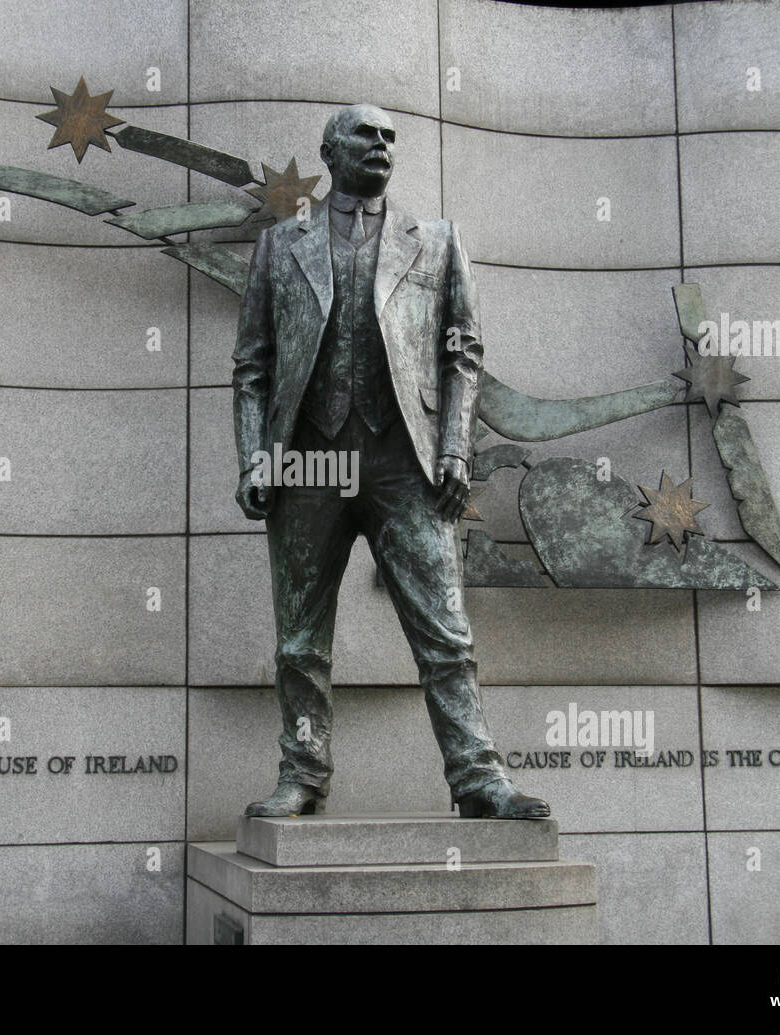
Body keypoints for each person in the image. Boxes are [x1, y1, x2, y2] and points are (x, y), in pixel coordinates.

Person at [231, 103, 550, 820]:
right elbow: (251, 364)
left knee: (445, 632)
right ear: (328, 151)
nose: (381, 145)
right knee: (300, 639)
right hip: (307, 464)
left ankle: (477, 778)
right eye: (364, 135)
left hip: (403, 461)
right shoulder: (281, 244)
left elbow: (461, 351)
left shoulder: (436, 242)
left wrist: (455, 448)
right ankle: (303, 773)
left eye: (389, 138)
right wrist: (255, 458)